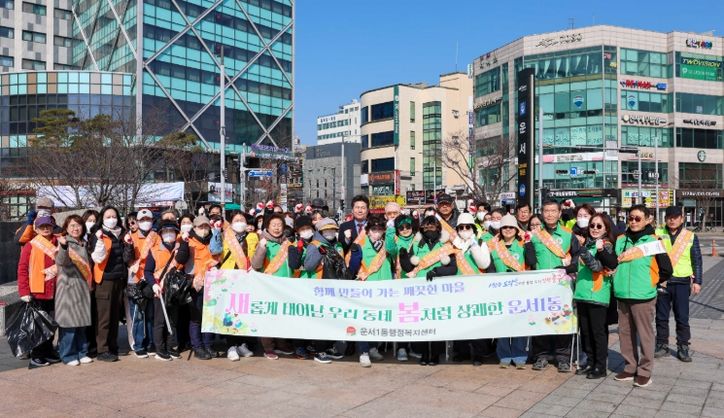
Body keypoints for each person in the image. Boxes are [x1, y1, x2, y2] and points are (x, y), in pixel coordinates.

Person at [613, 205, 673, 388]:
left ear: (648, 220)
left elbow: (667, 269)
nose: (633, 222)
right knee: (625, 333)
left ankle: (645, 371)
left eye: (638, 218)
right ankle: (630, 367)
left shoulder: (654, 241)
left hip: (643, 296)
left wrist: (650, 282)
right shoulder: (620, 239)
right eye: (631, 218)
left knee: (645, 334)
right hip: (622, 294)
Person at [530, 199, 581, 373]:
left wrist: (569, 268)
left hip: (562, 286)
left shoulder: (568, 234)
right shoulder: (535, 235)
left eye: (553, 211)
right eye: (546, 211)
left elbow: (577, 256)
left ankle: (563, 357)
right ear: (542, 213)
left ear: (560, 213)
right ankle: (541, 355)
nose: (550, 214)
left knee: (562, 320)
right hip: (539, 287)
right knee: (540, 320)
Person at [399, 216, 458, 366]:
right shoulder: (417, 245)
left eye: (432, 227)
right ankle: (424, 353)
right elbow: (408, 267)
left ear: (438, 229)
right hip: (420, 291)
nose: (428, 230)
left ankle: (435, 354)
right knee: (422, 323)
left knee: (436, 322)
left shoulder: (445, 245)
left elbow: (453, 268)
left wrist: (437, 271)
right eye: (425, 228)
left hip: (438, 291)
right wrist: (403, 257)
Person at [487, 214, 537, 369]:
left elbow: (531, 262)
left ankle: (520, 355)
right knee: (502, 324)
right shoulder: (493, 246)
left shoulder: (523, 244)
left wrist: (528, 243)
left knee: (519, 323)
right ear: (500, 230)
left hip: (520, 291)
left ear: (516, 229)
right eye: (504, 227)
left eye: (511, 227)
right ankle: (504, 355)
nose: (508, 230)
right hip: (500, 291)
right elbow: (490, 269)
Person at [654, 206, 703, 363]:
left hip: (682, 282)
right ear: (665, 219)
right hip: (662, 281)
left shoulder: (690, 236)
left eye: (675, 217)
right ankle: (662, 344)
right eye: (669, 217)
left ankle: (683, 346)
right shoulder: (657, 233)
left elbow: (697, 260)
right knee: (661, 316)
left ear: (682, 219)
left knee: (682, 317)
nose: (672, 220)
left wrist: (697, 281)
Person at [573, 214, 618, 379]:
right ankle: (590, 362)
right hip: (582, 293)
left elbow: (597, 266)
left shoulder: (605, 245)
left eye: (599, 226)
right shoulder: (588, 243)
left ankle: (600, 366)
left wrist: (584, 251)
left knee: (597, 332)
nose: (595, 229)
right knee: (585, 332)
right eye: (592, 225)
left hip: (597, 295)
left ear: (606, 229)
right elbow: (578, 266)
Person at [302, 217, 350, 363]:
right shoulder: (315, 245)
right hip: (319, 287)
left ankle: (329, 347)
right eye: (326, 230)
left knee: (332, 319)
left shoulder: (338, 245)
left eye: (332, 230)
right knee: (321, 320)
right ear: (320, 231)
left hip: (335, 288)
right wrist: (320, 253)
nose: (330, 232)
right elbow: (309, 266)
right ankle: (319, 350)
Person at [89, 206, 134, 362]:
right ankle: (102, 349)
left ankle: (112, 346)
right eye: (108, 217)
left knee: (115, 316)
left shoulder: (122, 234)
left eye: (114, 216)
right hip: (105, 280)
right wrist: (100, 240)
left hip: (119, 279)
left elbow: (126, 258)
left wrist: (129, 245)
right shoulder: (98, 234)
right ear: (102, 219)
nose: (111, 219)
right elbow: (98, 258)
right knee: (104, 317)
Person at [348, 215, 393, 367]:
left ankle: (373, 347)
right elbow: (353, 268)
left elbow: (393, 251)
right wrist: (355, 255)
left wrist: (391, 230)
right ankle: (363, 351)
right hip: (366, 289)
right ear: (367, 231)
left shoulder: (388, 244)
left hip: (384, 289)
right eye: (374, 229)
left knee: (378, 319)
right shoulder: (360, 245)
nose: (376, 233)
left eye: (380, 229)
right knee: (364, 321)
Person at [175, 215, 222, 360]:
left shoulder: (213, 240)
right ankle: (197, 347)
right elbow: (180, 260)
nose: (204, 229)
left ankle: (208, 345)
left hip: (211, 283)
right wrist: (184, 243)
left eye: (206, 226)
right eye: (200, 227)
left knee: (209, 316)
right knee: (196, 317)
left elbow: (218, 257)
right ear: (194, 228)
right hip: (193, 284)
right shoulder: (188, 240)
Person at [17, 215, 61, 368]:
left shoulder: (59, 242)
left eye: (48, 226)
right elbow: (22, 269)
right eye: (42, 226)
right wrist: (24, 291)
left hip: (56, 290)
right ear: (36, 229)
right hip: (37, 291)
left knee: (52, 324)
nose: (46, 229)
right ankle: (37, 355)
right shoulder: (30, 245)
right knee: (38, 326)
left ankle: (48, 351)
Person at [250, 213, 296, 360]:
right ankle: (268, 347)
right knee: (268, 317)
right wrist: (261, 248)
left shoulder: (287, 243)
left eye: (279, 225)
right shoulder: (263, 242)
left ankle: (281, 344)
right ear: (267, 227)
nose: (277, 228)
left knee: (282, 316)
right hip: (268, 287)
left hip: (285, 286)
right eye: (274, 225)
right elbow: (256, 265)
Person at [451, 212, 491, 365]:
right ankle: (462, 352)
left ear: (473, 228)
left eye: (468, 227)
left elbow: (484, 264)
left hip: (477, 289)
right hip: (457, 289)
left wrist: (473, 246)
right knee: (459, 321)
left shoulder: (480, 243)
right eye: (461, 227)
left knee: (477, 322)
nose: (464, 230)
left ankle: (478, 353)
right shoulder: (453, 245)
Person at [218, 212, 258, 361]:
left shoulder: (253, 237)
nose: (240, 222)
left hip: (246, 278)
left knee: (243, 313)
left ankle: (242, 344)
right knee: (229, 313)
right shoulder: (225, 236)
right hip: (228, 278)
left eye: (242, 220)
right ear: (231, 222)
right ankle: (231, 346)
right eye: (236, 220)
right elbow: (217, 253)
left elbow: (255, 257)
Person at [55, 215, 93, 366]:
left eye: (78, 225)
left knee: (82, 323)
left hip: (83, 288)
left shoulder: (85, 243)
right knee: (69, 325)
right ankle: (68, 355)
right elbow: (61, 261)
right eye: (72, 225)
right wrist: (64, 247)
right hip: (68, 288)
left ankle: (82, 352)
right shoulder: (65, 242)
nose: (75, 228)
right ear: (66, 228)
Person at [145, 220, 183, 361]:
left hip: (174, 289)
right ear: (160, 234)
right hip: (160, 289)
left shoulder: (180, 249)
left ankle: (171, 346)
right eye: (165, 231)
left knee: (172, 319)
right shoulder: (154, 250)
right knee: (160, 320)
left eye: (171, 231)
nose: (168, 234)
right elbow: (147, 271)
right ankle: (160, 349)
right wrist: (153, 284)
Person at [126, 209, 159, 358]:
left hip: (151, 279)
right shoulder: (130, 237)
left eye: (148, 219)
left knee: (151, 314)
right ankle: (138, 345)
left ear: (152, 221)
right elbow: (127, 258)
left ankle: (151, 343)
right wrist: (128, 246)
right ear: (138, 222)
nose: (145, 222)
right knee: (138, 315)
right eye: (142, 219)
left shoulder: (157, 237)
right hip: (136, 279)